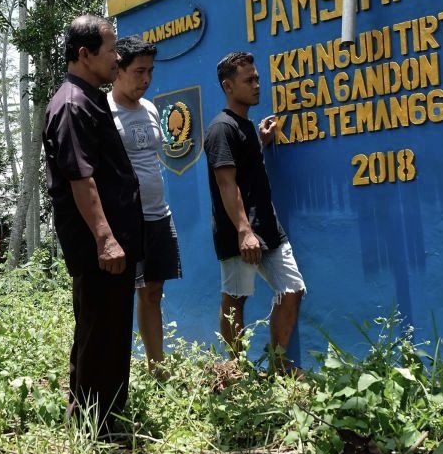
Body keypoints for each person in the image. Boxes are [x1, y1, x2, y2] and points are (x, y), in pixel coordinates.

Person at [43, 15, 144, 439]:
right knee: (100, 332)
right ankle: (95, 429)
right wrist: (105, 239)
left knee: (108, 328)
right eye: (110, 50)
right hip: (99, 246)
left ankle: (102, 420)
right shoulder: (72, 104)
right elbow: (80, 179)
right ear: (84, 55)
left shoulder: (89, 98)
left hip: (114, 243)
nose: (117, 57)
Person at [204, 52, 305, 372]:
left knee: (293, 289)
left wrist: (260, 141)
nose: (257, 84)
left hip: (268, 227)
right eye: (249, 80)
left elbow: (244, 169)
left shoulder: (245, 126)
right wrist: (244, 231)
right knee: (235, 299)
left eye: (257, 78)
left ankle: (277, 366)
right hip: (239, 232)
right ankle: (235, 369)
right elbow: (226, 183)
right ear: (228, 86)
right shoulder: (221, 128)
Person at [109, 35, 181, 373]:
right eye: (139, 72)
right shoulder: (104, 112)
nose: (146, 79)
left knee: (154, 290)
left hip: (158, 215)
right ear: (118, 70)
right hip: (126, 221)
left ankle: (158, 367)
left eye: (150, 71)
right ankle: (115, 373)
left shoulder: (150, 108)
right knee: (124, 295)